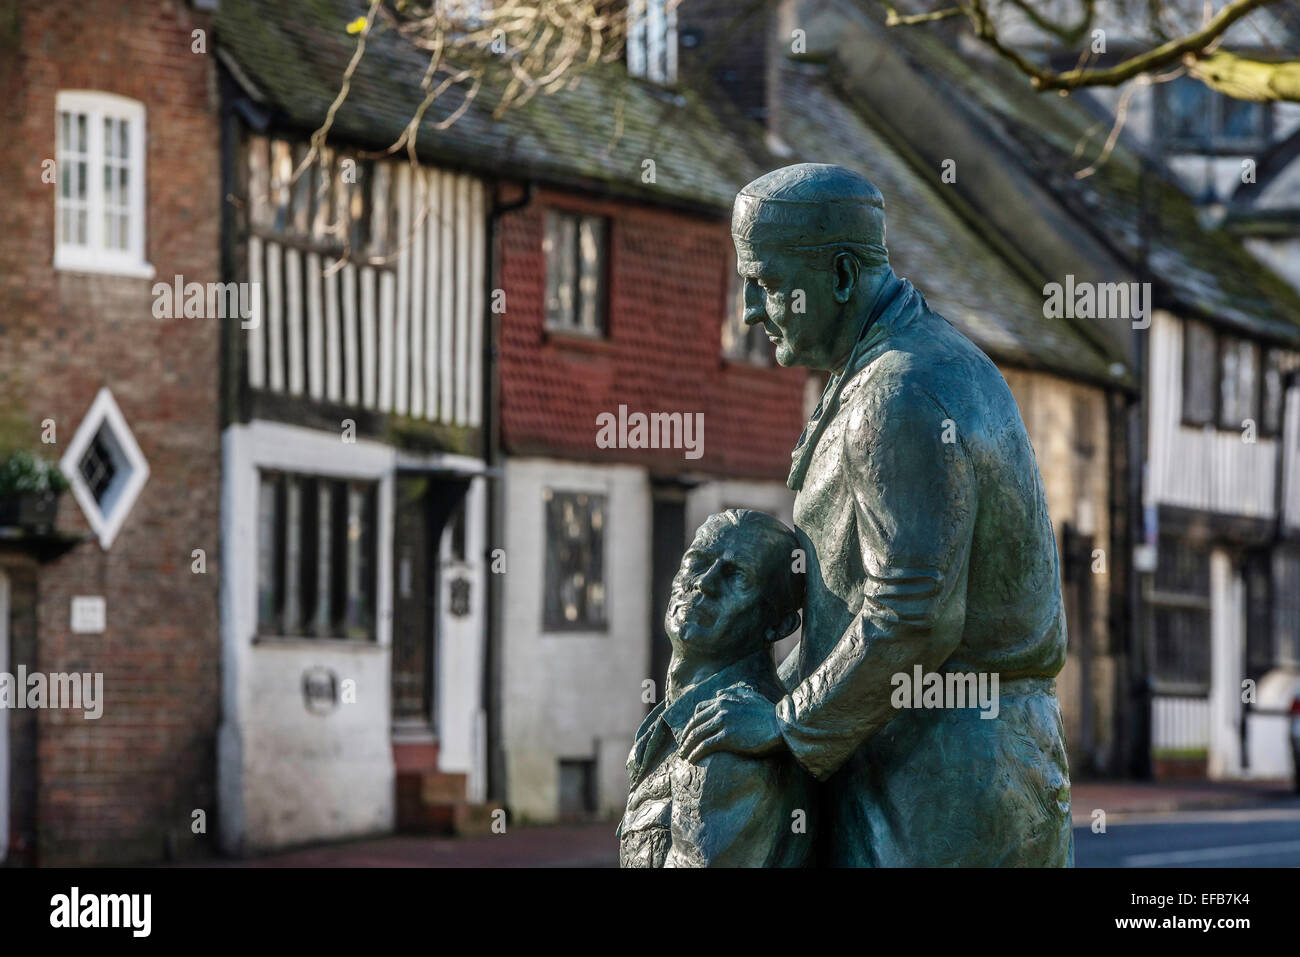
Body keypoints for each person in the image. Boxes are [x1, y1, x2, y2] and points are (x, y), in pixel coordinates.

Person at [678, 164, 1073, 867]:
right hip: (976, 762)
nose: (748, 311)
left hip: (939, 779)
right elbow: (857, 607)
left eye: (767, 283)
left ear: (836, 275)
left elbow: (912, 614)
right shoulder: (910, 366)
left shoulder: (896, 393)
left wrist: (785, 719)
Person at [618, 509, 813, 868]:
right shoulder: (676, 717)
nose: (704, 583)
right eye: (697, 562)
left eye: (737, 576)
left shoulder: (727, 735)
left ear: (780, 625)